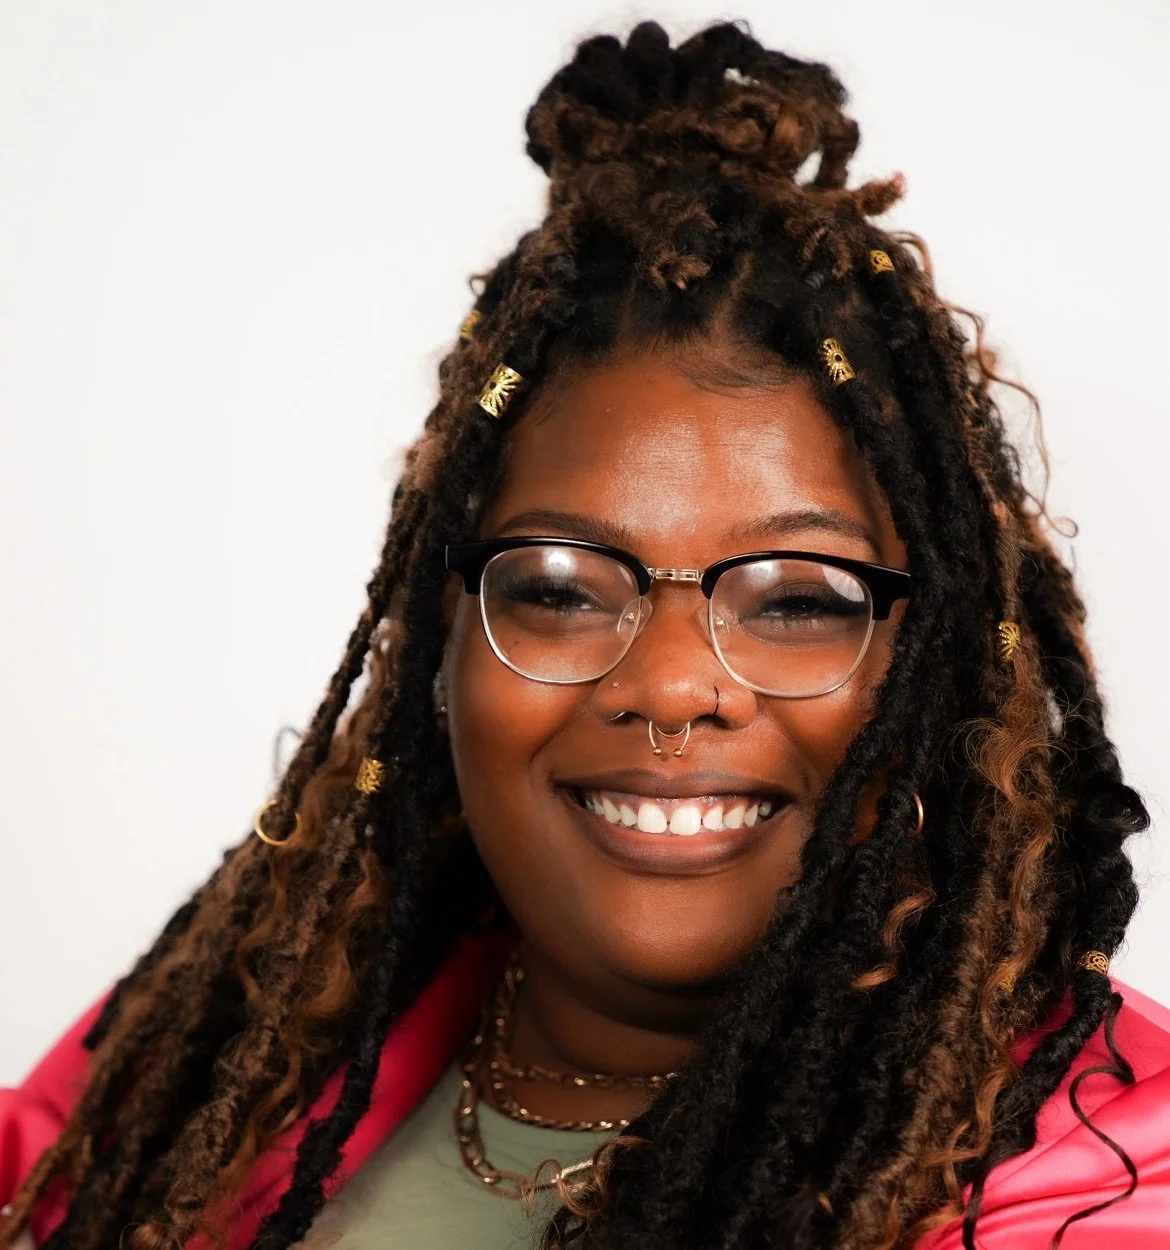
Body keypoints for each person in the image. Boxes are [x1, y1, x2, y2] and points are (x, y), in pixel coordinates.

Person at [1, 20, 1167, 1250]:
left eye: (799, 599)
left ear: (941, 673)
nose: (670, 685)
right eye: (561, 587)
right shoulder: (229, 1039)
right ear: (443, 643)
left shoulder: (1106, 1169)